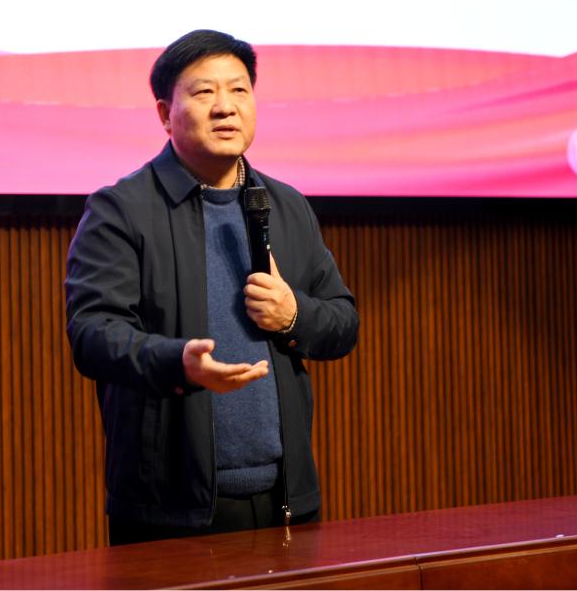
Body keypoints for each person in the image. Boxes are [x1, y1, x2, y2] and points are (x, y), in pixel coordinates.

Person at [65, 29, 359, 545]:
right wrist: (178, 362)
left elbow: (343, 322)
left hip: (286, 500)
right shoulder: (121, 210)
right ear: (165, 114)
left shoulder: (286, 205)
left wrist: (294, 315)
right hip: (170, 510)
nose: (225, 106)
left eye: (239, 90)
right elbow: (92, 334)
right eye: (204, 92)